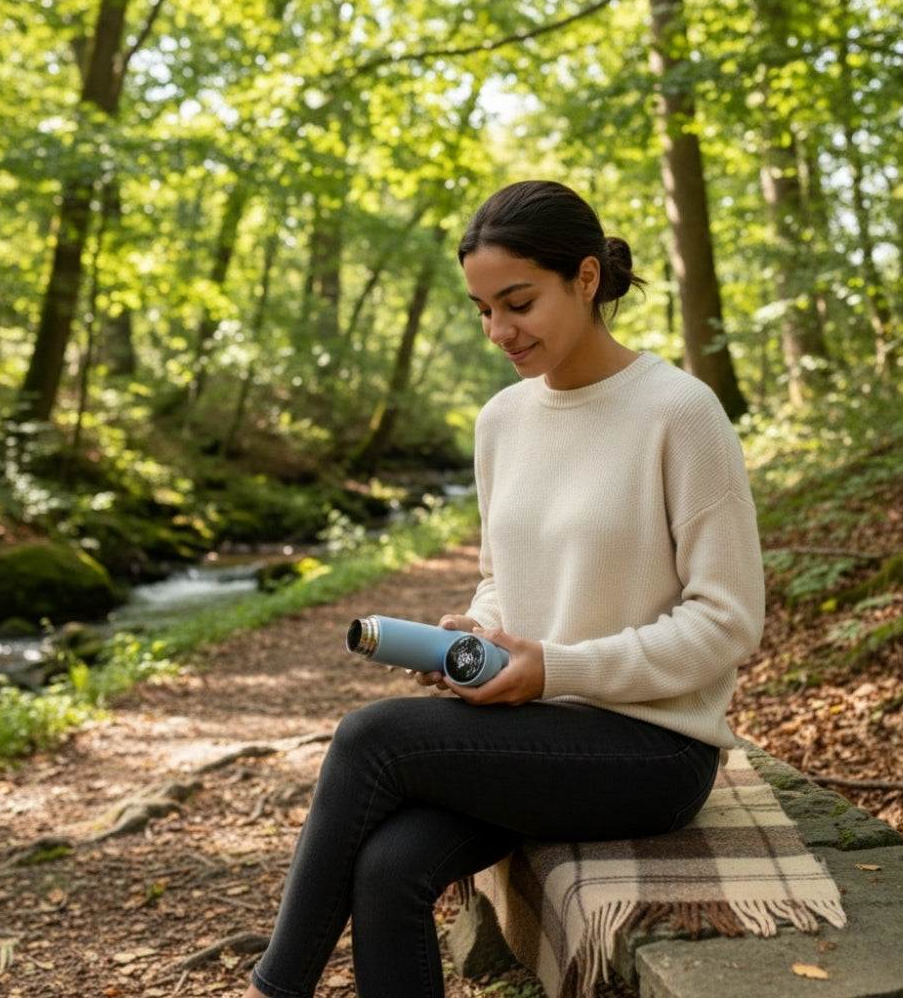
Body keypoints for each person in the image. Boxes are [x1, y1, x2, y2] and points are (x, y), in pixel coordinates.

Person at [240, 180, 765, 998]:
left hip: (652, 747)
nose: (498, 330)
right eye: (483, 309)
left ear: (586, 279)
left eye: (517, 302)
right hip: (529, 729)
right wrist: (477, 634)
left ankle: (274, 989)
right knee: (388, 866)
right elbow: (503, 576)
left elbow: (728, 622)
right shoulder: (502, 421)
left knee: (370, 738)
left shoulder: (680, 413)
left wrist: (556, 668)